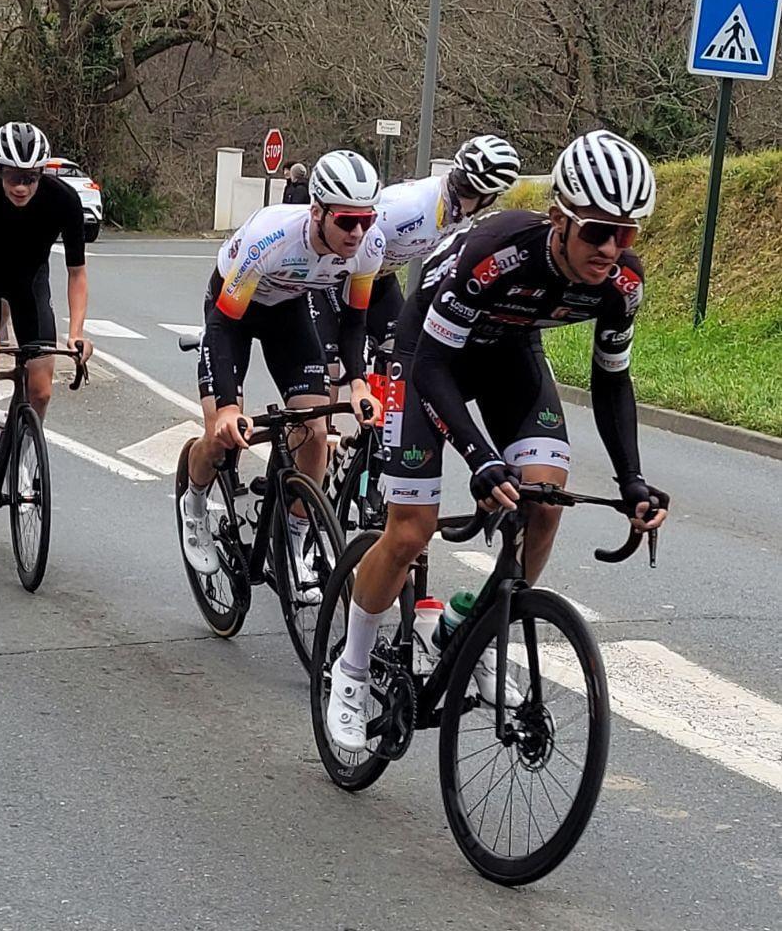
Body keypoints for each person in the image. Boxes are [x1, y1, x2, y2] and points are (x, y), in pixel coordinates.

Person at [326, 129, 670, 752]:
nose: (612, 249)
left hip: (510, 354)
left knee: (543, 503)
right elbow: (432, 366)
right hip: (428, 355)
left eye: (628, 233)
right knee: (408, 532)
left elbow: (612, 380)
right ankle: (349, 669)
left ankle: (475, 629)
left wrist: (632, 480)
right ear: (559, 219)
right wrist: (480, 458)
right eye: (597, 231)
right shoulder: (497, 251)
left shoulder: (622, 283)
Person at [179, 150, 385, 587]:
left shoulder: (369, 247)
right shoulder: (270, 237)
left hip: (289, 311)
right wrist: (230, 407)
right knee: (220, 436)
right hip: (233, 313)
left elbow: (354, 321)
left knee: (313, 429)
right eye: (347, 221)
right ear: (317, 212)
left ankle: (293, 538)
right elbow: (221, 324)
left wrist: (358, 384)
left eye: (366, 219)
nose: (357, 232)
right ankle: (194, 502)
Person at [0, 122, 94, 508]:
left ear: (42, 174)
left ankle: (14, 445)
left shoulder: (63, 200)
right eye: (13, 177)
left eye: (30, 179)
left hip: (30, 282)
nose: (21, 187)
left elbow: (77, 273)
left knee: (42, 388)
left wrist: (77, 331)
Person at [309, 136, 521, 378]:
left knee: (397, 361)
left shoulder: (461, 217)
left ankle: (382, 416)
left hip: (380, 279)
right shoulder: (412, 208)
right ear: (487, 195)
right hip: (335, 276)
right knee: (330, 372)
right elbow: (349, 233)